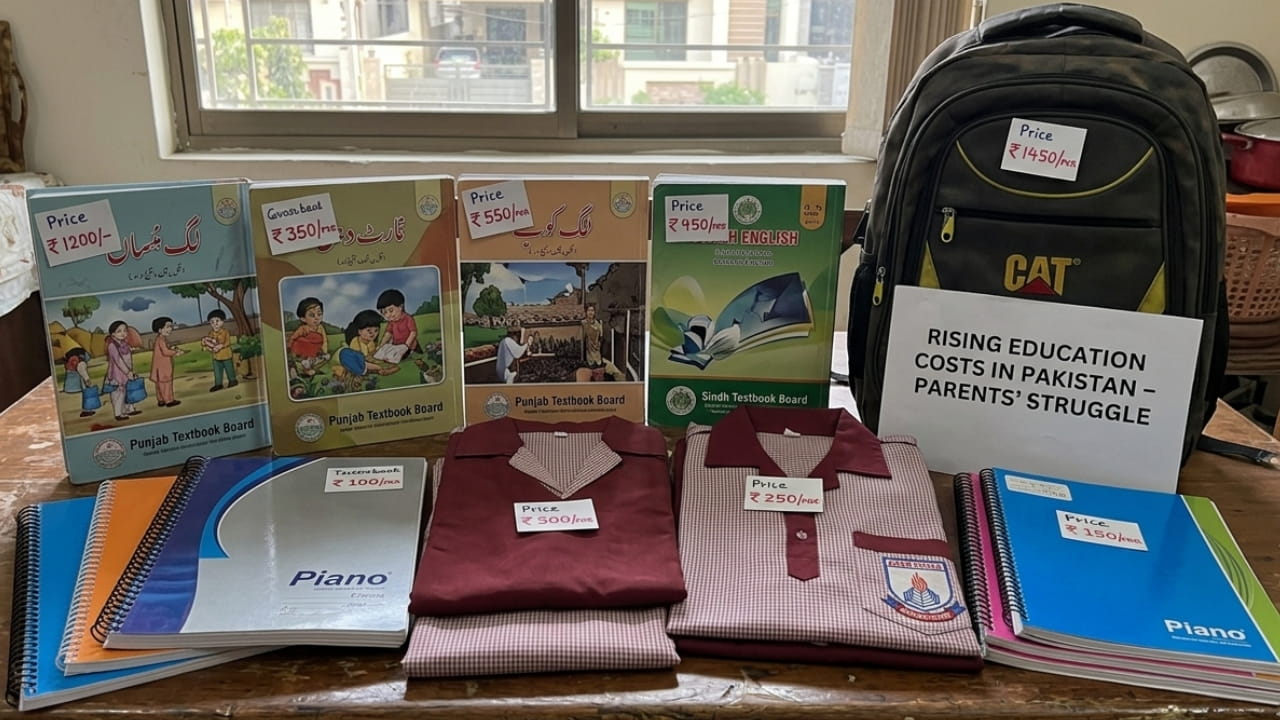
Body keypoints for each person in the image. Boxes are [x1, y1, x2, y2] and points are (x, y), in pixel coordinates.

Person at [334, 309, 398, 383]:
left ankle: (377, 370)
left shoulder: (371, 343)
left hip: (363, 364)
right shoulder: (355, 341)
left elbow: (371, 355)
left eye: (376, 330)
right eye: (369, 331)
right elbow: (358, 357)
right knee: (352, 356)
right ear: (359, 331)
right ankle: (375, 369)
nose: (373, 334)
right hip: (352, 361)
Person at [581, 304, 627, 381]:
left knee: (618, 375)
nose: (591, 313)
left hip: (599, 357)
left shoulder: (599, 324)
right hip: (589, 357)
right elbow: (583, 341)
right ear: (586, 312)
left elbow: (602, 339)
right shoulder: (583, 324)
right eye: (589, 310)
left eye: (592, 310)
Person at [106, 320, 140, 421]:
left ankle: (129, 409)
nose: (123, 333)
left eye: (125, 330)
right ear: (113, 334)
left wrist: (130, 372)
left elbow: (128, 359)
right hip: (117, 374)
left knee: (128, 391)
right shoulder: (112, 346)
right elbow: (118, 361)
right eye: (119, 331)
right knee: (118, 394)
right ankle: (118, 413)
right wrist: (127, 372)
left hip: (127, 373)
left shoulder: (125, 344)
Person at [374, 288, 419, 364]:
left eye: (391, 310)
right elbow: (388, 334)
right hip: (396, 345)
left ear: (400, 307)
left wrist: (406, 345)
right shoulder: (391, 322)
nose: (388, 315)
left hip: (408, 346)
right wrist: (381, 345)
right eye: (384, 313)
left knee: (394, 357)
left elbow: (413, 333)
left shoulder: (408, 319)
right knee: (383, 352)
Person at [288, 297, 330, 377]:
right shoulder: (303, 329)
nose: (316, 318)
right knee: (304, 360)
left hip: (316, 354)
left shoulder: (321, 328)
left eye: (319, 314)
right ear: (303, 318)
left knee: (326, 357)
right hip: (304, 355)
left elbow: (324, 340)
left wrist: (324, 351)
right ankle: (304, 369)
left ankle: (311, 367)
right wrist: (290, 347)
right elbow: (293, 338)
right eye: (312, 315)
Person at [150, 316, 186, 408]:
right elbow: (165, 352)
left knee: (159, 385)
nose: (170, 329)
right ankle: (169, 400)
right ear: (160, 329)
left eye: (171, 326)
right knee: (166, 384)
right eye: (168, 326)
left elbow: (164, 349)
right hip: (163, 367)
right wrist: (176, 352)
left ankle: (161, 400)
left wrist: (172, 349)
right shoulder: (161, 340)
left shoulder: (160, 339)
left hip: (159, 367)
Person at [203, 309, 237, 392]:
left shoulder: (225, 332)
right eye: (212, 322)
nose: (215, 324)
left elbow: (227, 342)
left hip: (226, 355)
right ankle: (218, 384)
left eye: (217, 321)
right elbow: (210, 342)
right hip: (216, 356)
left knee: (229, 368)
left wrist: (221, 346)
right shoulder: (211, 333)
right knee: (217, 371)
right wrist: (207, 344)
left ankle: (232, 380)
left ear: (222, 322)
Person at [62, 348, 97, 417]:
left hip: (82, 382)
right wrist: (87, 380)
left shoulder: (73, 361)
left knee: (86, 397)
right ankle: (87, 410)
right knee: (87, 397)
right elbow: (83, 373)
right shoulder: (81, 363)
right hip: (84, 383)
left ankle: (86, 410)